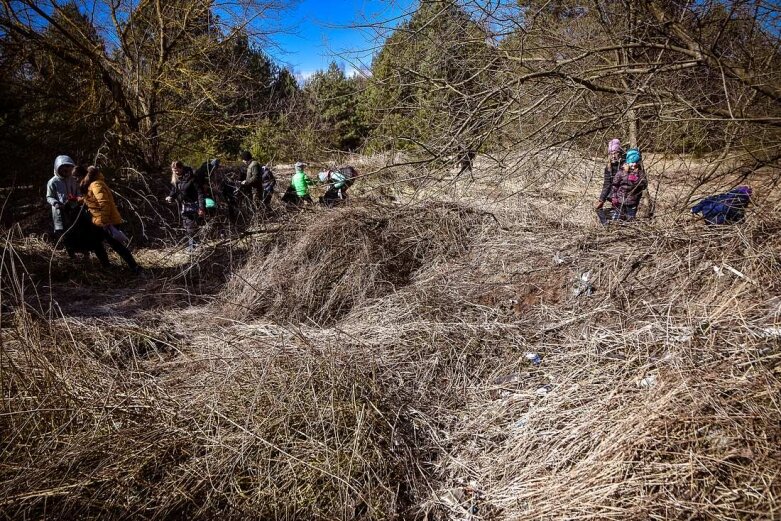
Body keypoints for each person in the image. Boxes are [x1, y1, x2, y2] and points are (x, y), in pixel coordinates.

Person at [166, 160, 205, 252]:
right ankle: (193, 246)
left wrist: (201, 208)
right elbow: (174, 190)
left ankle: (193, 247)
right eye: (173, 170)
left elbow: (200, 193)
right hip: (183, 206)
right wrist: (170, 196)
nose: (175, 172)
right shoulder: (176, 178)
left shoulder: (192, 178)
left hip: (193, 205)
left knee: (190, 227)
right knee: (187, 226)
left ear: (181, 168)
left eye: (176, 170)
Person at [46, 155, 80, 243]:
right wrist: (55, 203)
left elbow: (78, 191)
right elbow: (49, 197)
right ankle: (68, 251)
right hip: (60, 210)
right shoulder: (53, 182)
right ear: (58, 168)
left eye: (69, 167)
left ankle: (80, 249)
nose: (67, 170)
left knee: (76, 228)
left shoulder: (74, 179)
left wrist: (79, 199)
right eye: (64, 168)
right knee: (62, 232)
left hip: (74, 208)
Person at [610, 148, 647, 221]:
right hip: (620, 202)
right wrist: (614, 197)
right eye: (632, 162)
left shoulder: (640, 173)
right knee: (618, 220)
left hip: (632, 203)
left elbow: (644, 185)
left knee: (630, 221)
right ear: (628, 161)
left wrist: (635, 179)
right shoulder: (621, 172)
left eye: (635, 162)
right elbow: (614, 185)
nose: (634, 164)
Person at [595, 138, 625, 224]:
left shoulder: (625, 164)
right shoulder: (608, 167)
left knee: (621, 217)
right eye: (611, 153)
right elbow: (607, 184)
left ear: (619, 152)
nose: (613, 156)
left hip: (624, 197)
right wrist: (601, 200)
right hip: (613, 196)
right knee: (599, 209)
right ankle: (607, 226)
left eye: (615, 153)